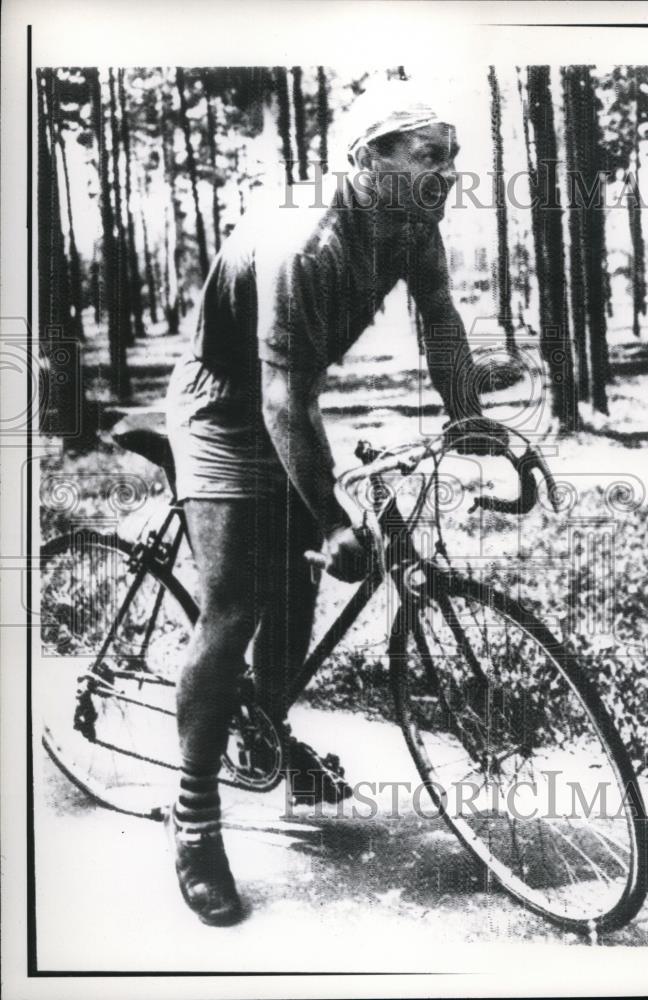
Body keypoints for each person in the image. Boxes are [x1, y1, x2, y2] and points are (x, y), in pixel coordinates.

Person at [164, 79, 502, 926]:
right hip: (226, 409)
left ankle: (263, 729)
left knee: (304, 590)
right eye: (430, 155)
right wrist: (334, 516)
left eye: (454, 156)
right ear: (366, 163)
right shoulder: (304, 243)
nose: (448, 172)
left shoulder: (411, 226)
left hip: (289, 400)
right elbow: (280, 405)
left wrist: (472, 423)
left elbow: (440, 323)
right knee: (237, 607)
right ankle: (194, 817)